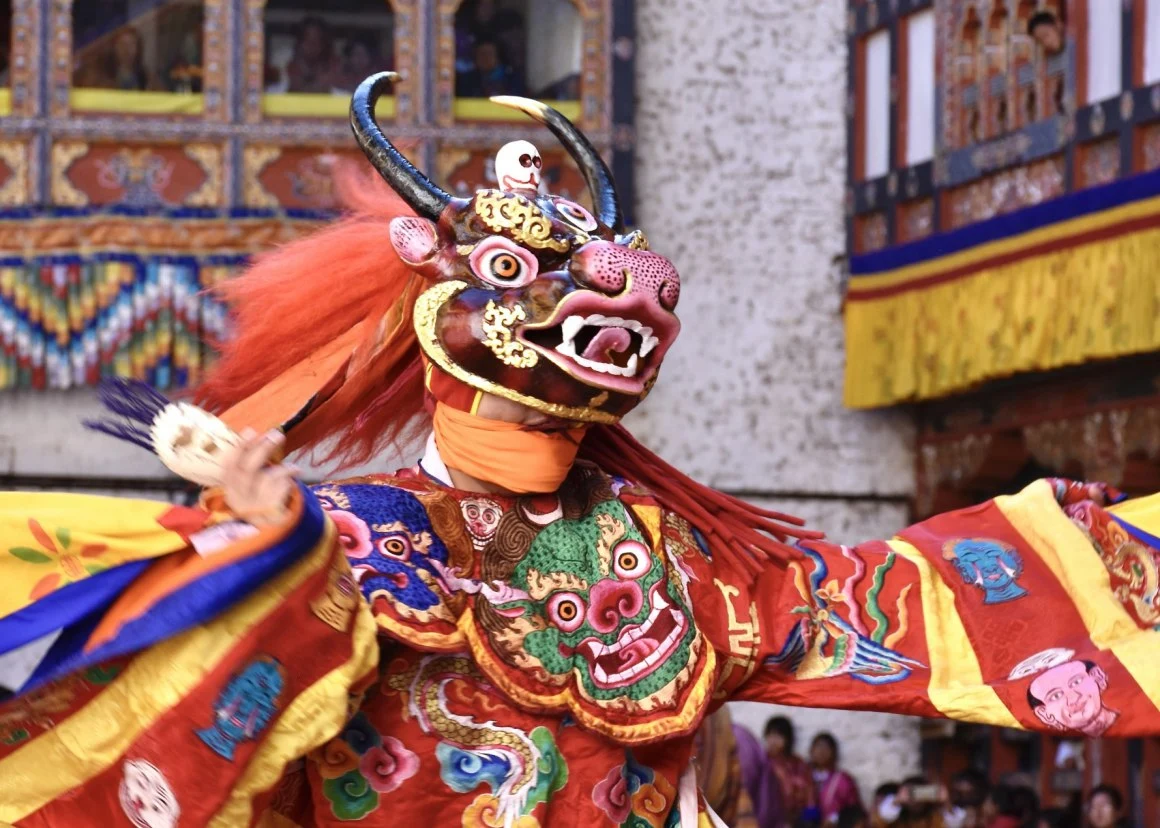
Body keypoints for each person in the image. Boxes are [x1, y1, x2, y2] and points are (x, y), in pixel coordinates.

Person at [2, 70, 1160, 825]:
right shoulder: (351, 541)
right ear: (436, 313)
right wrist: (259, 562)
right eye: (517, 275)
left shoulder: (679, 552)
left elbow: (902, 602)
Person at [766, 716, 817, 826]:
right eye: (770, 735)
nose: (773, 740)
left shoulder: (799, 765)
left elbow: (810, 798)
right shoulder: (762, 762)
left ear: (788, 739)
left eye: (778, 735)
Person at [810, 732, 862, 824]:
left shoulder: (843, 780)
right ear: (811, 751)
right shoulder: (803, 776)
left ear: (834, 753)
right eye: (818, 747)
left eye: (826, 748)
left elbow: (854, 810)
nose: (821, 752)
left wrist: (834, 819)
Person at [286, 16, 339, 93]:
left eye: (316, 40)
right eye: (307, 39)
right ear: (299, 43)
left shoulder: (333, 66)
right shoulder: (288, 65)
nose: (312, 45)